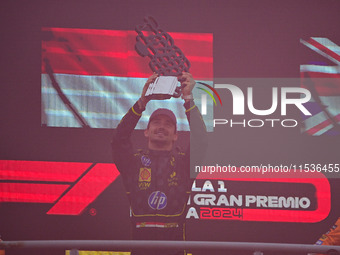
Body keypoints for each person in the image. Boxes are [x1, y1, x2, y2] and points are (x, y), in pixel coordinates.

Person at [112, 72, 207, 255]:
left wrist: (188, 98)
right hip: (140, 249)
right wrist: (141, 104)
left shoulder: (184, 164)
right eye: (156, 122)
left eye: (168, 124)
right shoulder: (133, 163)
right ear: (146, 132)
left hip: (175, 250)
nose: (161, 127)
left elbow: (201, 140)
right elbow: (118, 140)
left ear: (176, 135)